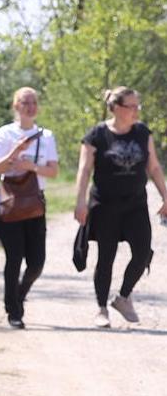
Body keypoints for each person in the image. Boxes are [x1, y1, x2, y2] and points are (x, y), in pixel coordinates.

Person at [73, 87, 167, 327]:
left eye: (138, 106)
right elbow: (84, 170)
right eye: (131, 106)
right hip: (105, 205)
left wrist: (166, 197)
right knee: (106, 257)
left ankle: (123, 297)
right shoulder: (97, 135)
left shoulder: (142, 133)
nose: (136, 111)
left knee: (143, 252)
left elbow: (154, 167)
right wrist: (80, 202)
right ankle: (101, 308)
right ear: (116, 108)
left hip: (135, 204)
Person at [0, 86, 59, 329]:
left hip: (35, 204)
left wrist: (32, 167)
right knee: (14, 258)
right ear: (15, 106)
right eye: (24, 102)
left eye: (33, 102)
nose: (30, 106)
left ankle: (19, 294)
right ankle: (13, 311)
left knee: (37, 262)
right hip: (10, 202)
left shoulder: (46, 136)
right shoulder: (5, 133)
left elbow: (53, 170)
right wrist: (14, 152)